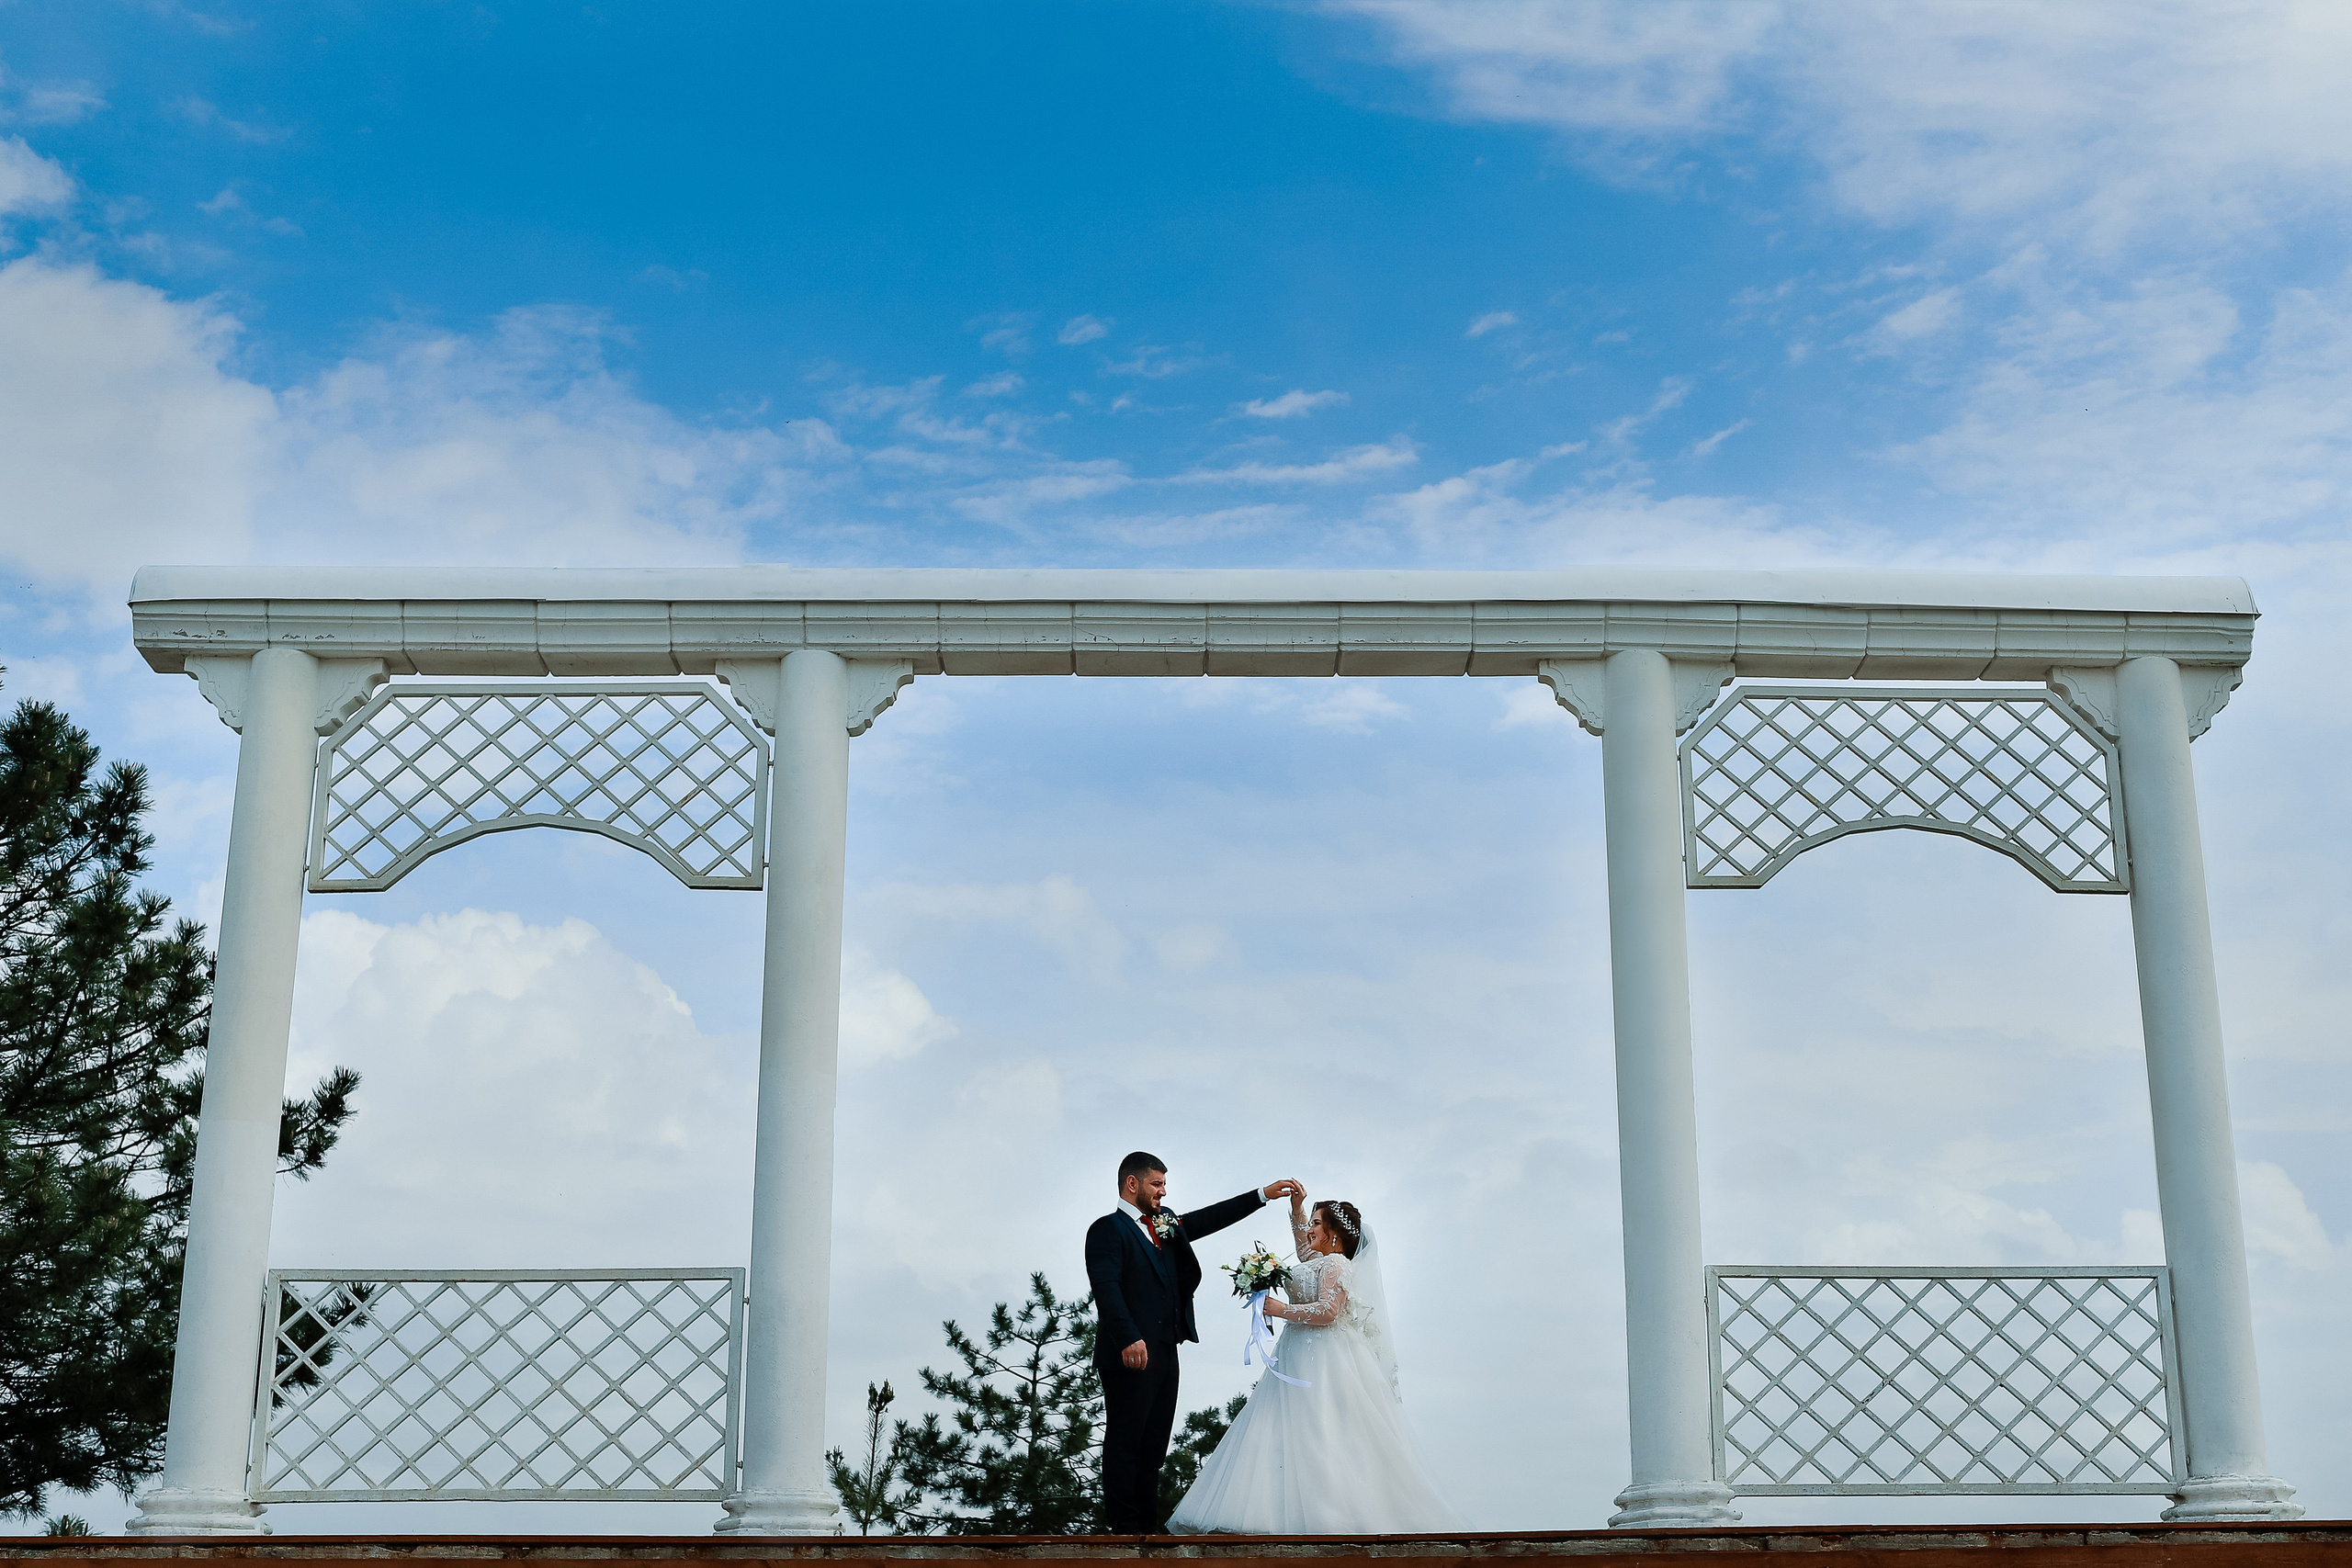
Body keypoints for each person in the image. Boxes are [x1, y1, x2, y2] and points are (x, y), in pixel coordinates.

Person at [1167, 1187, 1458, 1535]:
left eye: (1316, 1224)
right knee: (1285, 1429)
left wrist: (1281, 1309)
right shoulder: (1319, 1260)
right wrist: (1297, 1208)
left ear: (1333, 1233)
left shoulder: (1336, 1263)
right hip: (1297, 1353)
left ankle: (1330, 1516)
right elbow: (1304, 1249)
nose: (1309, 1230)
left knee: (1320, 1429)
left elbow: (1329, 1311)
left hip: (1324, 1357)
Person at [1085, 1151, 1302, 1534]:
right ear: (1132, 1183)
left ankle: (1146, 1528)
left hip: (1166, 1349)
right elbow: (1106, 1288)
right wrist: (1129, 1337)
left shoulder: (1164, 1222)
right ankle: (1123, 1530)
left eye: (1164, 1184)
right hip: (1129, 1351)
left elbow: (1206, 1219)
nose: (1163, 1192)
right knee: (1126, 1440)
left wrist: (1261, 1196)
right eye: (1156, 1184)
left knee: (1153, 1444)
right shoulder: (1107, 1229)